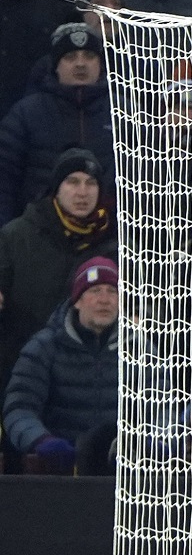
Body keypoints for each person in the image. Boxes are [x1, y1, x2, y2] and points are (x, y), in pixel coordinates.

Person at [0, 149, 116, 396]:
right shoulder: (16, 236)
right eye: (72, 182)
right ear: (56, 188)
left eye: (91, 183)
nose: (82, 192)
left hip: (90, 380)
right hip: (18, 370)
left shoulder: (116, 243)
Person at [3, 257, 121, 475]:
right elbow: (19, 407)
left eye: (112, 291)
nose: (105, 300)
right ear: (77, 300)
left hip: (123, 477)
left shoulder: (140, 350)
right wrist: (41, 440)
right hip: (57, 473)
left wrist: (155, 441)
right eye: (95, 291)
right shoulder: (44, 347)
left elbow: (162, 406)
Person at [0, 23, 114, 225]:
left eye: (89, 56)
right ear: (55, 66)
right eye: (70, 57)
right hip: (39, 234)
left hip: (111, 236)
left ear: (101, 64)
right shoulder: (25, 114)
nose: (80, 64)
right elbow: (5, 181)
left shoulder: (126, 114)